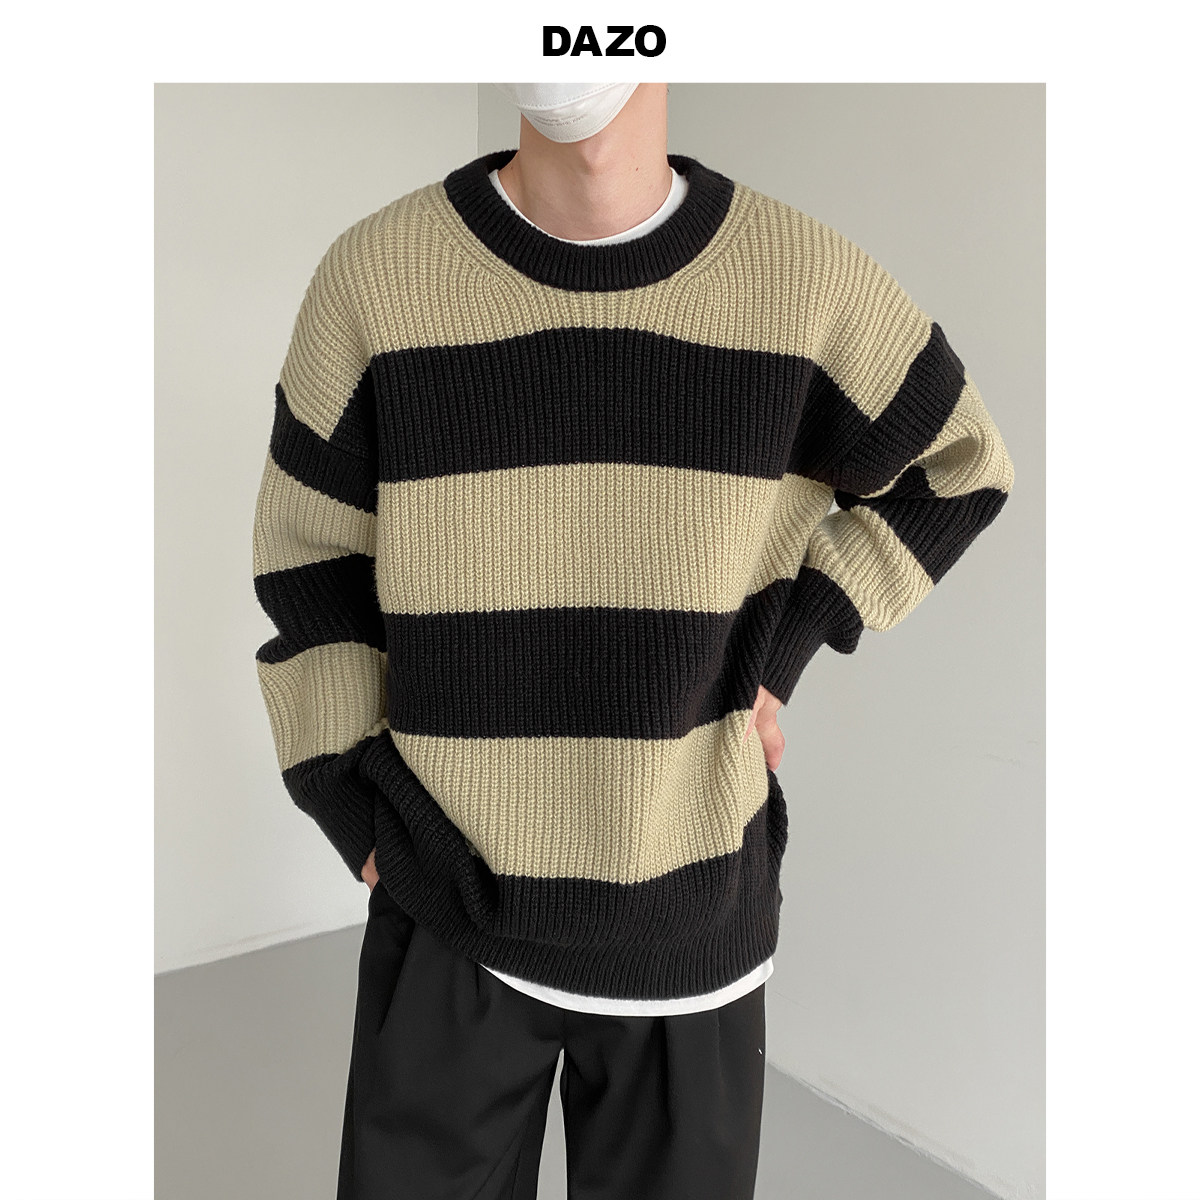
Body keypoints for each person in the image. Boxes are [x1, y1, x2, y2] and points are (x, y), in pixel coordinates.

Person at [251, 81, 1015, 1199]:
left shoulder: (805, 282)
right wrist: (344, 798)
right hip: (444, 898)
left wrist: (787, 644)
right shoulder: (374, 279)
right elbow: (308, 559)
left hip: (691, 922)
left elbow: (960, 466)